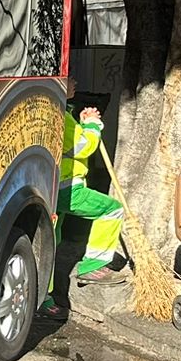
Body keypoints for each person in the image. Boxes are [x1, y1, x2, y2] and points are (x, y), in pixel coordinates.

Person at [60, 104, 124, 282]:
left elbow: (71, 140)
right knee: (112, 210)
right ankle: (93, 266)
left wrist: (84, 123)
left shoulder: (60, 112)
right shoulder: (61, 115)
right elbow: (82, 147)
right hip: (67, 187)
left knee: (54, 237)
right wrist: (93, 125)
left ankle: (48, 298)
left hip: (53, 187)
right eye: (70, 78)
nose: (75, 81)